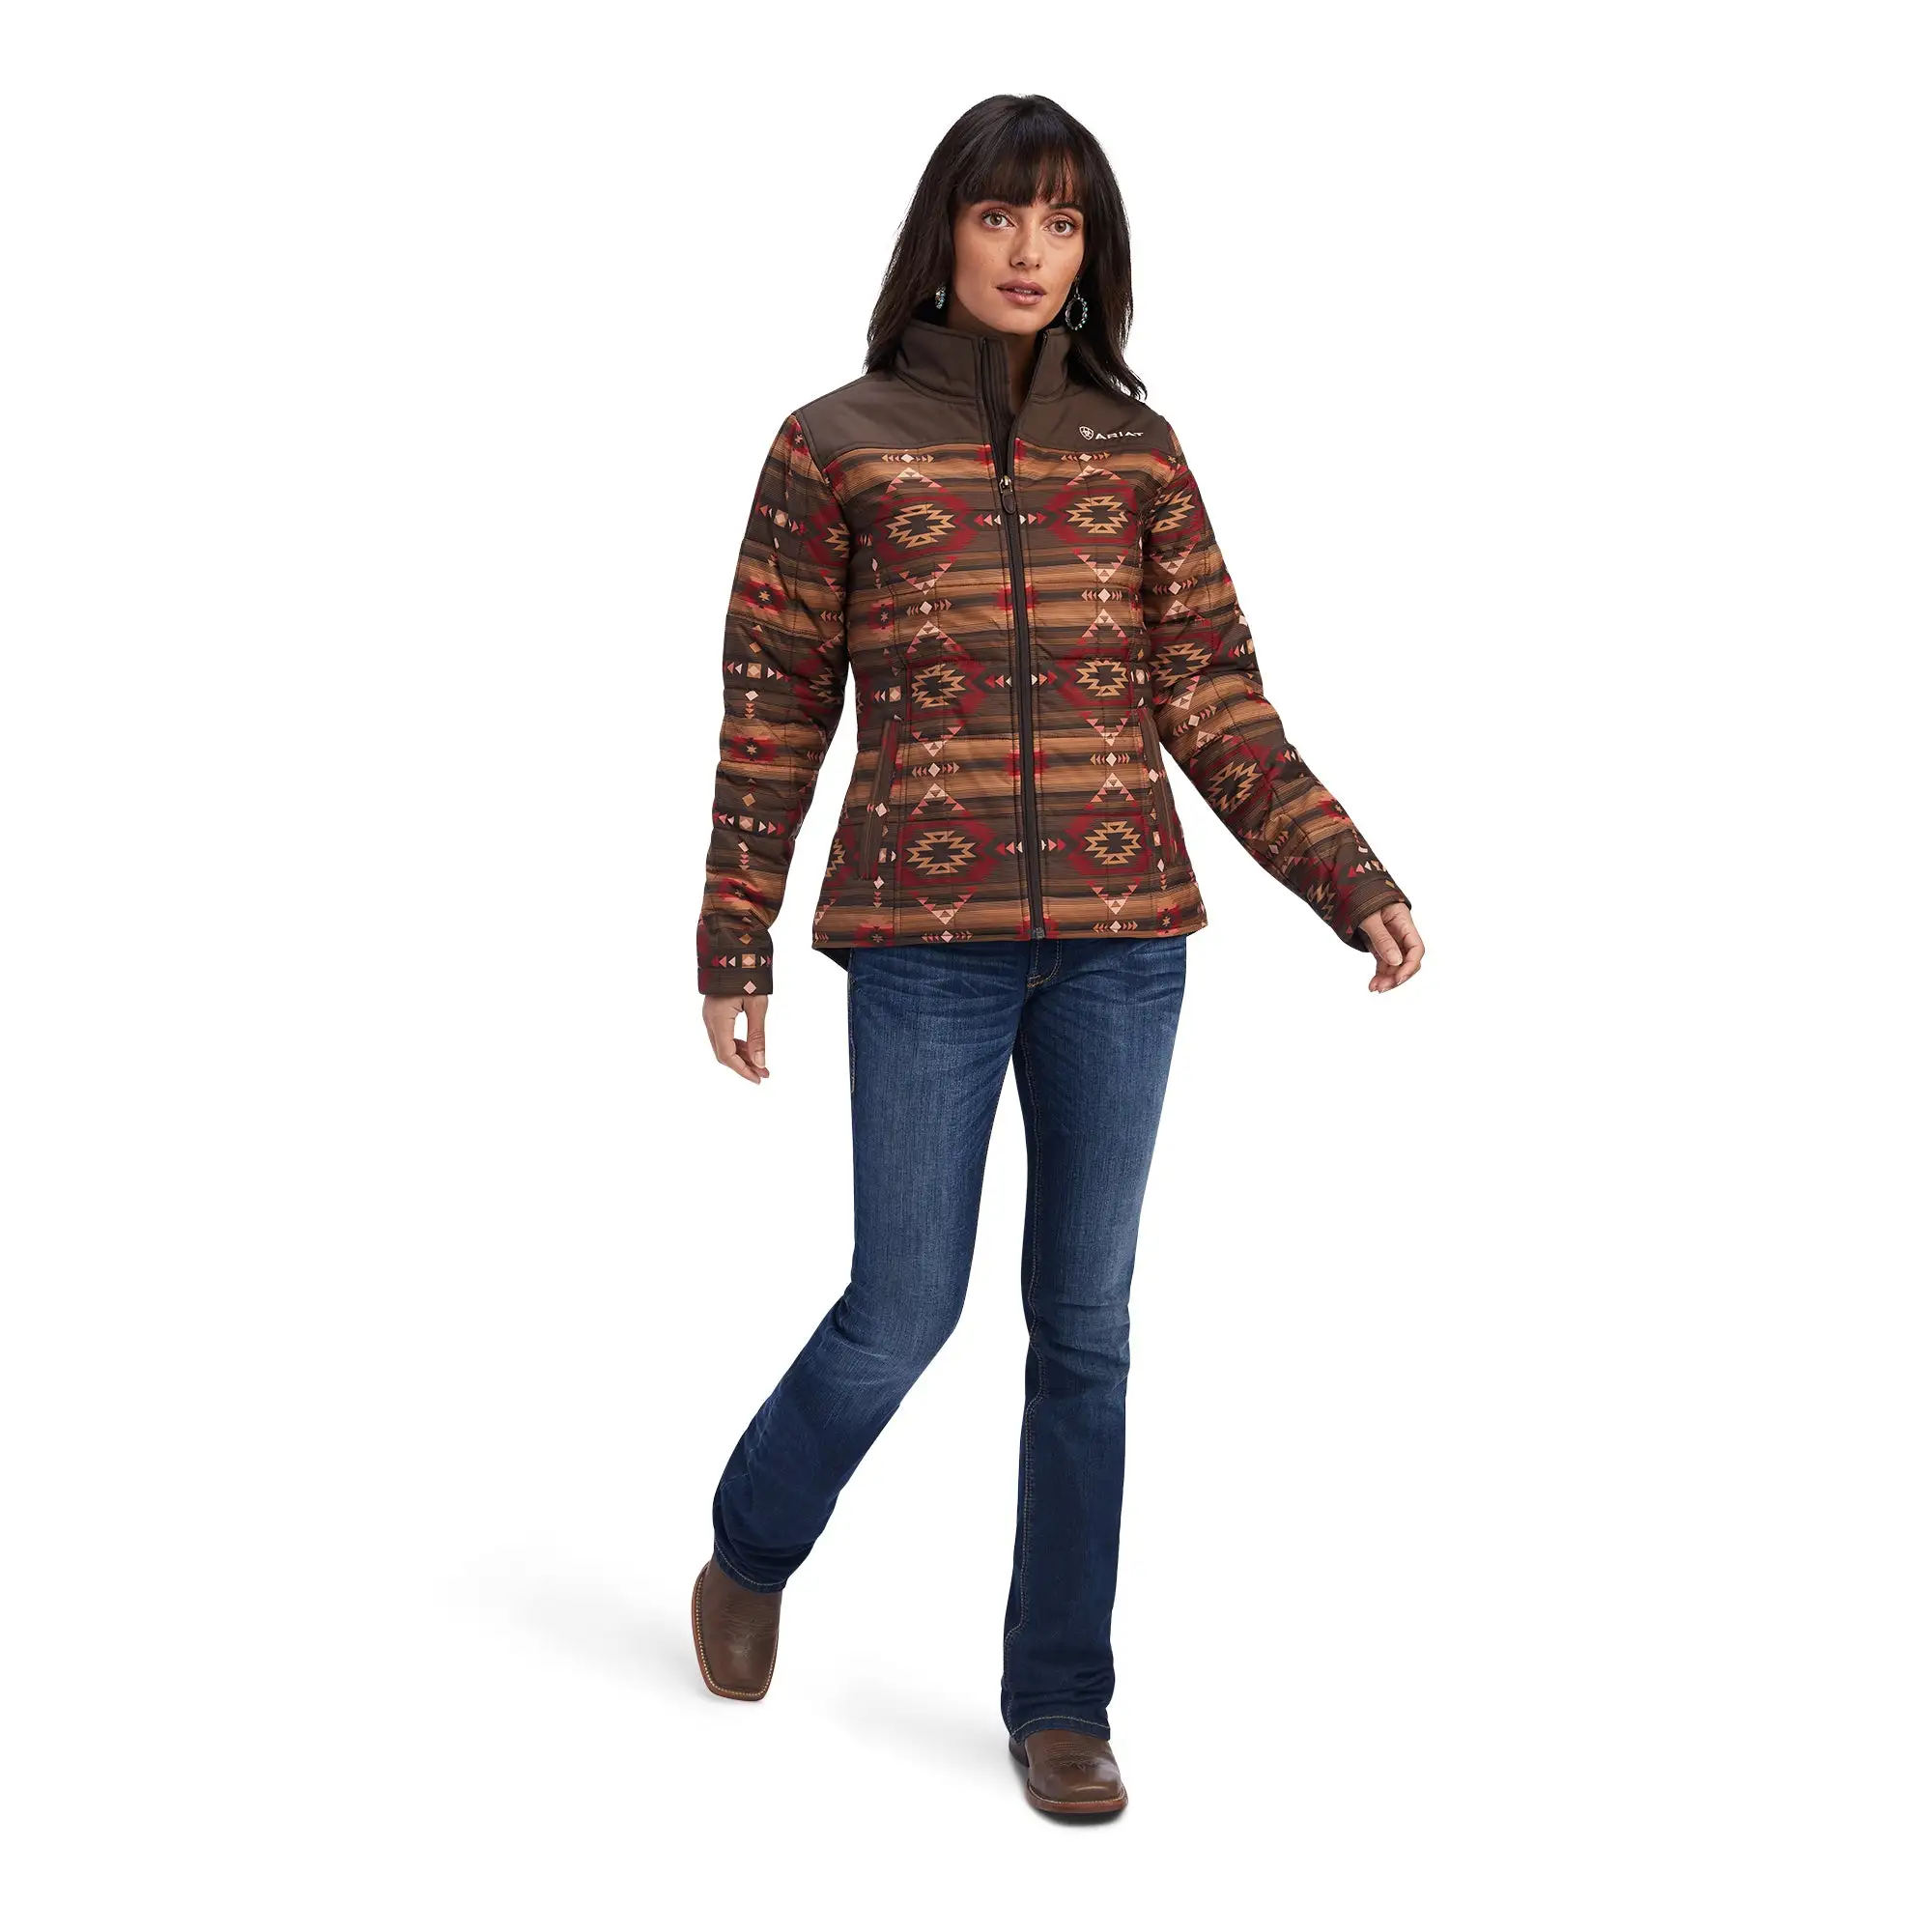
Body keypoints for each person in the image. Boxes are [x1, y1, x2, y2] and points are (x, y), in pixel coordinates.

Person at [691, 94, 1424, 1816]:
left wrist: (1343, 871)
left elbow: (1210, 688)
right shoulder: (835, 445)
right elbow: (772, 706)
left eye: (1065, 222)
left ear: (1095, 252)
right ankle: (753, 1543)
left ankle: (1060, 1704)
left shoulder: (1134, 452)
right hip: (921, 944)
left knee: (1085, 1326)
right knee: (901, 1310)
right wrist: (736, 935)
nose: (1031, 252)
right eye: (1002, 216)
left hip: (1121, 943)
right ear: (942, 233)